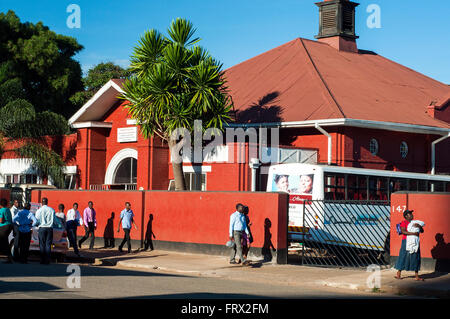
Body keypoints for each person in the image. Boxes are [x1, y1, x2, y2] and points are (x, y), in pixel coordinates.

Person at [394, 210, 424, 281]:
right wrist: (414, 233)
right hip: (406, 241)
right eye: (410, 214)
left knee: (416, 256)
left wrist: (419, 226)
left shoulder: (415, 222)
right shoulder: (403, 222)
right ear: (406, 216)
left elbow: (422, 231)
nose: (412, 215)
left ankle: (416, 276)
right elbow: (403, 231)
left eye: (411, 214)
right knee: (403, 256)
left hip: (415, 241)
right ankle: (398, 274)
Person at [35, 197, 56, 264]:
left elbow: (36, 220)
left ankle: (42, 260)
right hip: (49, 228)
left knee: (42, 244)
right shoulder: (52, 210)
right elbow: (55, 220)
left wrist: (36, 225)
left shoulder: (39, 210)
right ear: (47, 202)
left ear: (42, 203)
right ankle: (47, 260)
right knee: (48, 244)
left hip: (42, 228)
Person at [0, 198, 13, 263]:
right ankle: (8, 257)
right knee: (4, 241)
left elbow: (1, 220)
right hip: (9, 226)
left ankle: (9, 257)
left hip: (3, 227)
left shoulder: (1, 210)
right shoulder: (8, 209)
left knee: (4, 242)